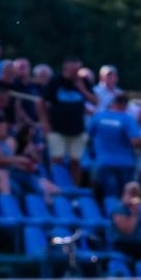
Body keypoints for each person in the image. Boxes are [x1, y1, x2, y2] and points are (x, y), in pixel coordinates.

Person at [43, 58, 92, 187]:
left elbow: (95, 101)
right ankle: (56, 185)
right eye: (74, 70)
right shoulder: (55, 81)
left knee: (76, 161)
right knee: (57, 158)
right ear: (67, 68)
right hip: (57, 128)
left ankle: (74, 188)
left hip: (77, 129)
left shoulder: (83, 81)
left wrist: (82, 89)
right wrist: (45, 123)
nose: (76, 72)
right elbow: (41, 102)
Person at [86, 93, 139, 199]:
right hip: (125, 163)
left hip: (103, 162)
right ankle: (119, 214)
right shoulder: (128, 119)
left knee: (106, 194)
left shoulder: (99, 116)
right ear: (125, 105)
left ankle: (105, 213)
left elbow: (88, 135)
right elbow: (134, 141)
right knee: (124, 195)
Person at [110, 182, 141, 261]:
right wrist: (134, 213)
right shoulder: (118, 209)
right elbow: (127, 230)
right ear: (124, 194)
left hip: (140, 244)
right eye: (131, 194)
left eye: (136, 195)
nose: (134, 197)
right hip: (124, 244)